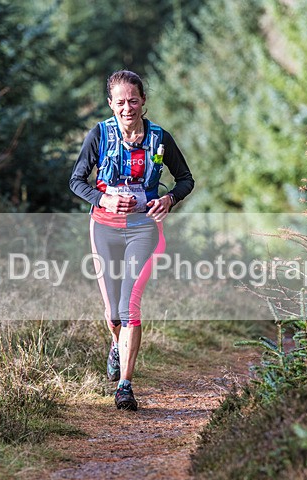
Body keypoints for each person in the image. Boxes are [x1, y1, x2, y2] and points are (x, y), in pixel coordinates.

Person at [69, 70, 195, 411]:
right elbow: (76, 181)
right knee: (112, 313)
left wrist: (169, 199)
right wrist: (103, 199)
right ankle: (116, 343)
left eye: (134, 101)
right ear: (111, 104)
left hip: (143, 229)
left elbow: (185, 179)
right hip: (105, 227)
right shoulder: (100, 135)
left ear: (143, 101)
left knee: (130, 307)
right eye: (121, 102)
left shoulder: (160, 138)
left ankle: (125, 385)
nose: (128, 108)